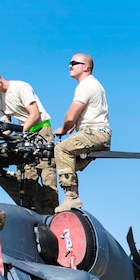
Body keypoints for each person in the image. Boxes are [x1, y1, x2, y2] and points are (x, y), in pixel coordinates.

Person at [0, 67, 57, 214]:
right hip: (25, 135)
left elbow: (34, 114)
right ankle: (31, 212)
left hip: (41, 131)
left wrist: (22, 132)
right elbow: (7, 127)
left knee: (47, 175)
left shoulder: (21, 87)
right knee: (27, 177)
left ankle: (51, 213)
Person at [54, 53, 110, 212]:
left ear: (86, 67)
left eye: (74, 63)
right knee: (62, 162)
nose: (69, 66)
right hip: (95, 133)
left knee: (61, 149)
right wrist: (74, 125)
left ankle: (71, 198)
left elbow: (70, 115)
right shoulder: (94, 84)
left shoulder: (85, 85)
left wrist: (64, 129)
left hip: (95, 134)